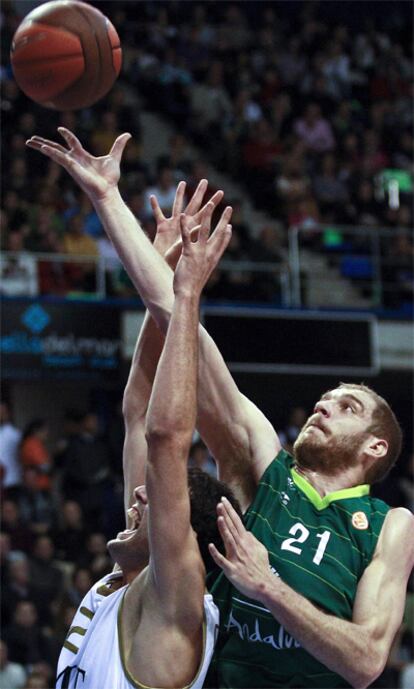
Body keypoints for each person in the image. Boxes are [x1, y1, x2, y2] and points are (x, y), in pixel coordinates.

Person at [27, 129, 414, 689]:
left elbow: (367, 661)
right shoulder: (264, 467)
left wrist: (269, 587)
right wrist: (109, 200)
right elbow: (179, 329)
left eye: (346, 406)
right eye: (323, 400)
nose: (322, 409)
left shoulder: (388, 526)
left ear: (376, 445)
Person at [54, 187, 239, 688]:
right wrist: (158, 264)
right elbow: (137, 412)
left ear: (183, 536)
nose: (139, 495)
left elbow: (164, 438)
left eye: (153, 499)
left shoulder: (177, 601)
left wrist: (186, 297)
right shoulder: (122, 588)